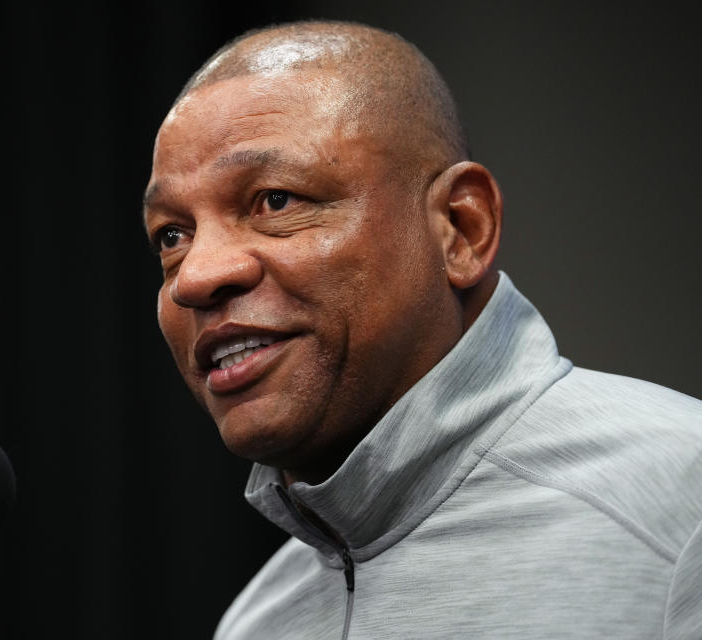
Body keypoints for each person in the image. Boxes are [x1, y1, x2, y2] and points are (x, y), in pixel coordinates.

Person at [142, 20, 702, 639]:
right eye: (172, 236)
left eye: (276, 201)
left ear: (460, 229)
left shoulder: (682, 510)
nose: (195, 277)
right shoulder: (256, 624)